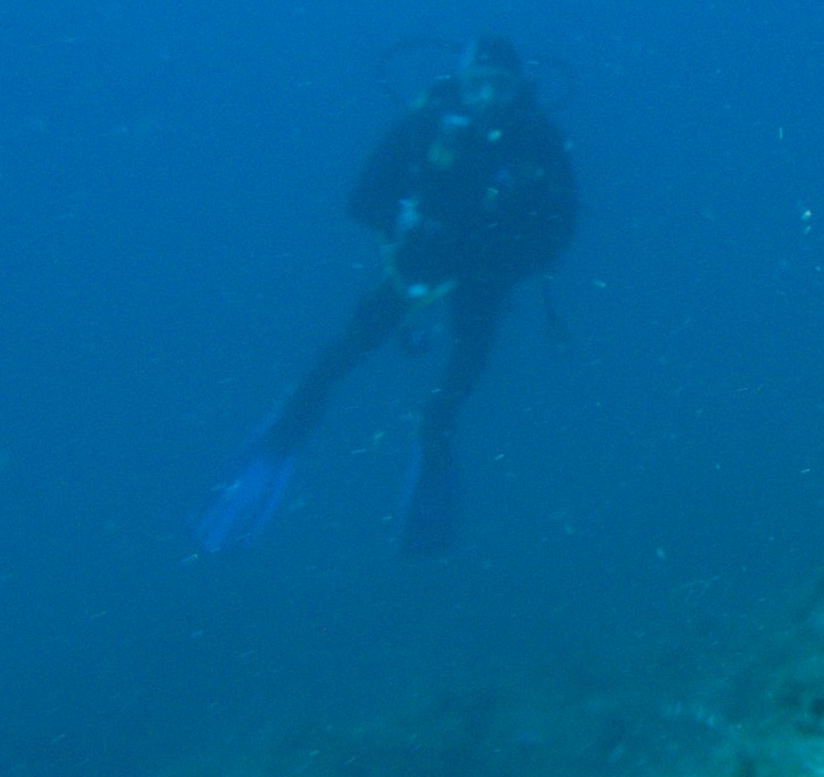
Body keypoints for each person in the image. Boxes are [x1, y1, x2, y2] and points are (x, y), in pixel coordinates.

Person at [194, 35, 576, 556]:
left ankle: (435, 436)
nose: (488, 96)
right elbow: (362, 199)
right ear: (459, 83)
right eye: (477, 84)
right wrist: (407, 223)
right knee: (347, 349)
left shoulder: (537, 139)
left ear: (520, 88)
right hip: (417, 262)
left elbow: (560, 226)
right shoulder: (423, 126)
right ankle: (287, 429)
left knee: (464, 370)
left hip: (488, 272)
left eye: (501, 86)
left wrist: (504, 253)